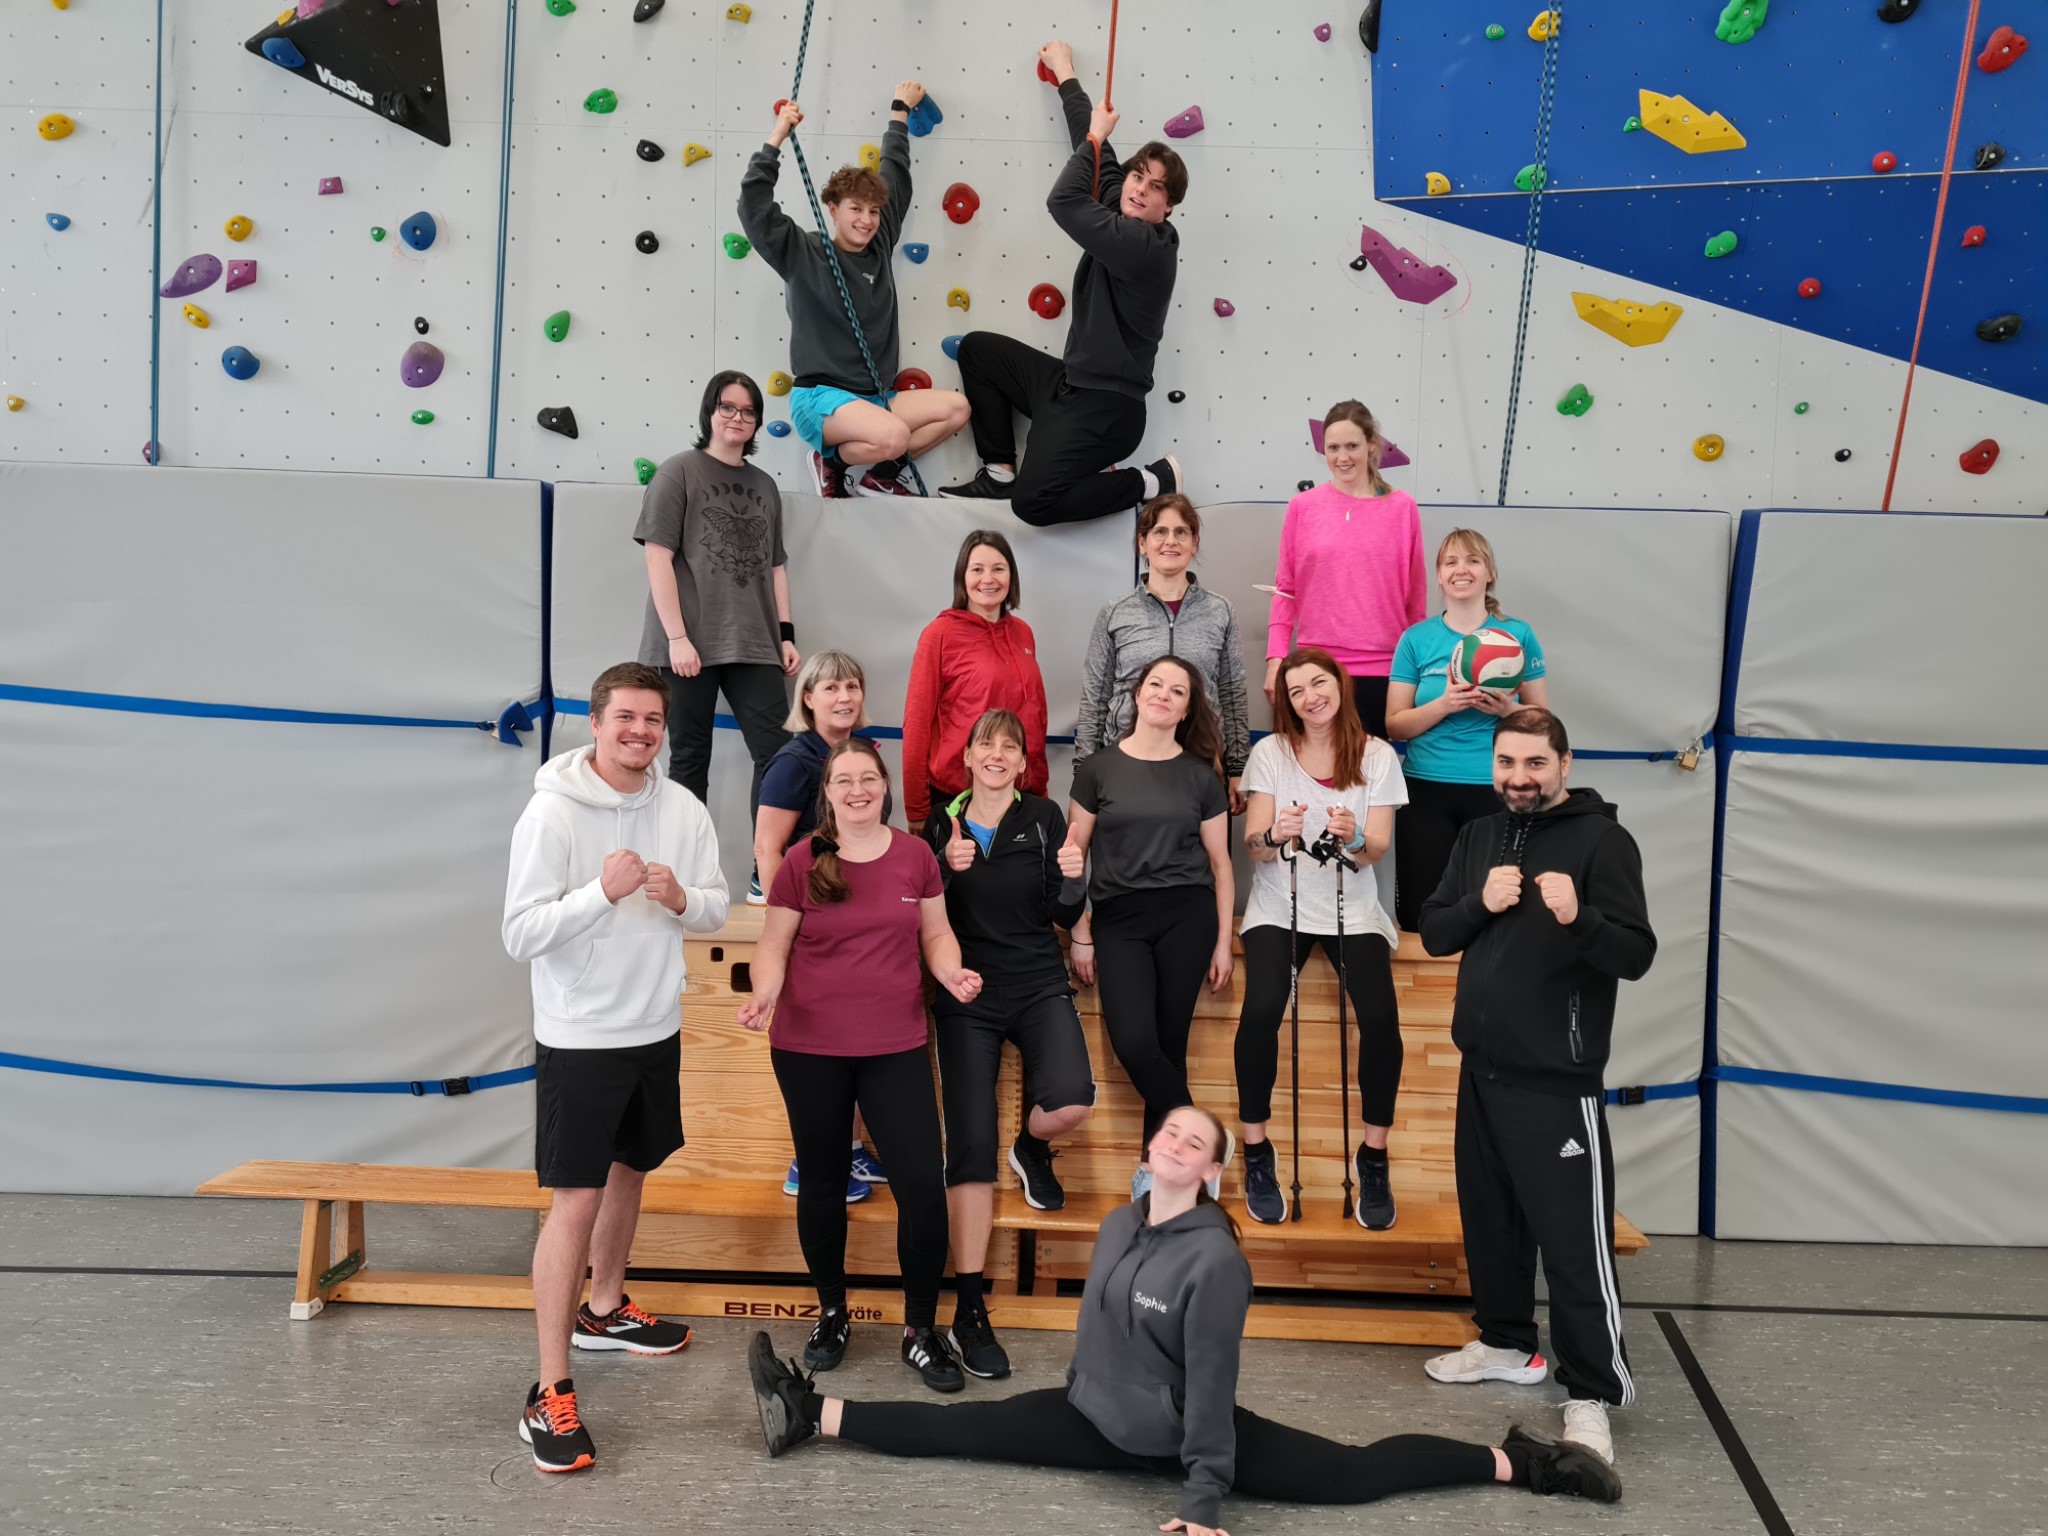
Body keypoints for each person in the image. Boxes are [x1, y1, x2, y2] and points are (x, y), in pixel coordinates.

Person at [749, 1104, 1624, 1528]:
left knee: (1353, 1477)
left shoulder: (1216, 1261)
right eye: (1168, 1132)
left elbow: (1210, 1387)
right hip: (1094, 1417)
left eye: (1194, 1143)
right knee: (970, 1427)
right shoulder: (1120, 1221)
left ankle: (1522, 1463)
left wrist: (1203, 1501)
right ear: (1149, 1151)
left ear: (1210, 1173)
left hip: (1176, 1437)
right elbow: (1102, 1337)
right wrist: (1083, 1400)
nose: (1175, 1144)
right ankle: (810, 1412)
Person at [501, 662, 731, 1473]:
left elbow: (718, 903)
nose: (640, 732)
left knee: (633, 1167)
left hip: (653, 1026)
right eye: (625, 718)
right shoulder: (552, 813)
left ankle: (602, 1310)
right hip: (580, 1033)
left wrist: (680, 901)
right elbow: (519, 932)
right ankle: (548, 1390)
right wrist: (600, 895)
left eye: (652, 721)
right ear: (595, 724)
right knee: (575, 1201)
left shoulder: (683, 807)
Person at [1419, 707, 1656, 1470]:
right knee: (1491, 1221)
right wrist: (1477, 903)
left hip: (1557, 1079)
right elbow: (1434, 932)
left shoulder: (1603, 841)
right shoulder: (1479, 836)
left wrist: (1577, 915)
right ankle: (1506, 1343)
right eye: (1507, 764)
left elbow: (1635, 953)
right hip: (1481, 1068)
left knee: (1573, 1244)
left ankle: (1590, 1393)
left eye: (1534, 764)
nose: (1519, 778)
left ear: (1563, 762)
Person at [736, 738, 983, 1393]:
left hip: (894, 1046)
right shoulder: (800, 861)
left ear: (884, 787)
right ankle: (832, 1314)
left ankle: (920, 1331)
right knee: (821, 1183)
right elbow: (773, 944)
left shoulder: (914, 857)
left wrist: (952, 972)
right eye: (843, 781)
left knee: (922, 1191)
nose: (857, 790)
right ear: (829, 793)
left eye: (867, 779)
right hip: (808, 1046)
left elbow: (935, 932)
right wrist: (763, 992)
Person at [939, 39, 1186, 524]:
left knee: (1033, 505)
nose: (1139, 188)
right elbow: (1095, 153)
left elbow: (1065, 201)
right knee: (978, 350)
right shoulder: (1126, 208)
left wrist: (1095, 140)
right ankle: (999, 469)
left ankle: (1151, 480)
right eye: (1139, 176)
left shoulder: (1141, 244)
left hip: (1107, 411)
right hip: (1068, 385)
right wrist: (1065, 75)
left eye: (1155, 187)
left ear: (1168, 208)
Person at [922, 709, 1095, 1380]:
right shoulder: (942, 822)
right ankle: (969, 1305)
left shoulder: (1046, 818)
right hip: (966, 992)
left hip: (1037, 980)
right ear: (966, 757)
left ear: (1023, 764)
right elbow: (920, 907)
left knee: (1073, 1100)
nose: (996, 755)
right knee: (968, 1145)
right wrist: (945, 863)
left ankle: (1031, 1146)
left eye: (1008, 747)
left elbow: (1062, 910)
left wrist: (1076, 875)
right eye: (984, 744)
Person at [1234, 648, 1408, 1229]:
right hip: (1277, 904)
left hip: (1350, 907)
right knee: (1260, 1011)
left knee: (1380, 1018)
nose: (1311, 696)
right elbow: (1252, 847)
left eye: (1319, 682)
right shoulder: (1270, 753)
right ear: (1286, 701)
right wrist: (1274, 833)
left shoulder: (1378, 755)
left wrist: (1355, 834)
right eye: (1297, 689)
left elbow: (1376, 850)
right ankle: (1257, 1152)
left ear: (1340, 684)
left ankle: (1374, 1156)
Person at [741, 86, 971, 497]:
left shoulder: (880, 246)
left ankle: (881, 475)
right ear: (833, 209)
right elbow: (754, 206)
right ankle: (828, 460)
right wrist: (777, 136)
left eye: (873, 211)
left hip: (875, 399)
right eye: (855, 209)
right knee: (894, 434)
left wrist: (898, 113)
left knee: (957, 410)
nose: (866, 221)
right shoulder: (803, 251)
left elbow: (896, 175)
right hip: (820, 400)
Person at [1066, 657, 1235, 1199]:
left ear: (1188, 708)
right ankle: (1207, 1143)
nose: (1164, 695)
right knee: (1135, 1045)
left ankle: (1154, 1174)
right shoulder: (1096, 770)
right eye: (1155, 684)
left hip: (1187, 915)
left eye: (1177, 690)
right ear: (1137, 695)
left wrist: (1223, 940)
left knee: (1170, 1043)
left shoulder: (1199, 775)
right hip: (1119, 918)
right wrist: (1080, 931)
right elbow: (1076, 856)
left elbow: (1222, 865)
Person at [635, 371, 798, 905]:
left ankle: (764, 869)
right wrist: (678, 637)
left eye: (748, 411)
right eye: (728, 407)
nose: (737, 418)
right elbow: (657, 557)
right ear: (710, 411)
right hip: (687, 647)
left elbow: (776, 568)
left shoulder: (765, 485)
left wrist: (786, 635)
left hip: (755, 643)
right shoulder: (677, 473)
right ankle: (689, 875)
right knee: (688, 761)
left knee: (778, 755)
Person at [754, 649, 893, 1202]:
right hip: (817, 924)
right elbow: (768, 848)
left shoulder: (859, 754)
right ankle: (808, 1164)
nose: (844, 697)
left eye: (852, 686)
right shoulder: (795, 762)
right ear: (807, 698)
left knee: (858, 1043)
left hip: (858, 926)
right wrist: (782, 931)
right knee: (826, 1053)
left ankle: (852, 1151)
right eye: (831, 687)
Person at [1387, 528, 1549, 932]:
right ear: (1439, 576)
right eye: (1451, 562)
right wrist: (1445, 704)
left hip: (1495, 789)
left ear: (1489, 572)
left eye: (1473, 560)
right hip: (1425, 789)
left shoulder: (1518, 636)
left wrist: (1507, 709)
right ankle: (1424, 996)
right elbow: (1395, 724)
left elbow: (1543, 722)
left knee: (1498, 912)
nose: (1462, 570)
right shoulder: (1416, 639)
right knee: (1420, 914)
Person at [1263, 400, 1426, 737]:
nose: (1342, 457)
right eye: (1333, 448)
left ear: (1372, 444)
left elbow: (1416, 596)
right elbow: (1285, 590)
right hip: (1316, 669)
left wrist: (1419, 666)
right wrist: (1275, 659)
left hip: (1386, 672)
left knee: (1369, 779)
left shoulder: (1402, 508)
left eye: (1352, 446)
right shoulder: (1302, 508)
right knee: (1318, 778)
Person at [1077, 495, 1250, 814]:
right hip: (1124, 763)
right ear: (1142, 543)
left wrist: (1238, 768)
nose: (1170, 541)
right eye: (1159, 532)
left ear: (1194, 542)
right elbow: (1095, 697)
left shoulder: (1220, 611)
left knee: (1201, 861)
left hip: (1201, 761)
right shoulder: (1115, 613)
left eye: (1181, 532)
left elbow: (1232, 692)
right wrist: (1084, 770)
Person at [901, 529, 1050, 832]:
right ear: (962, 577)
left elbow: (1034, 716)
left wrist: (1039, 788)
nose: (988, 579)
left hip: (1018, 795)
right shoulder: (939, 635)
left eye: (998, 569)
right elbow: (916, 725)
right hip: (957, 798)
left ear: (1011, 576)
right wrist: (917, 810)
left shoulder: (1023, 633)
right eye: (977, 569)